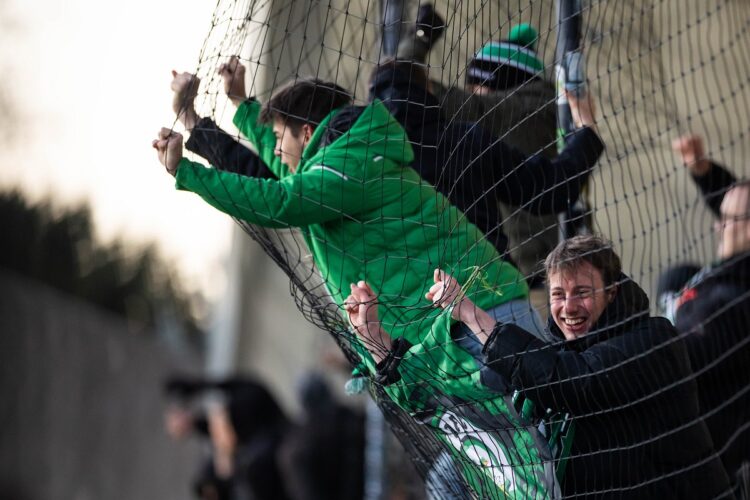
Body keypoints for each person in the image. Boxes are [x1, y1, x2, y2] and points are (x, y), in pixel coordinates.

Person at [155, 60, 564, 497]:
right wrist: (228, 109)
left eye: (278, 136)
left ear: (306, 133)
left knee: (537, 474)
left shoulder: (348, 163)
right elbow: (275, 170)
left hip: (475, 324)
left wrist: (186, 172)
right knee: (469, 482)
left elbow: (278, 199)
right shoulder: (336, 159)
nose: (273, 147)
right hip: (448, 337)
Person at [346, 235, 732, 498]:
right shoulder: (552, 352)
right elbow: (466, 399)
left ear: (612, 292)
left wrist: (468, 313)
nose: (568, 307)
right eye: (558, 294)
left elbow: (572, 382)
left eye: (582, 292)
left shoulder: (653, 340)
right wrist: (379, 345)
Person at [368, 59, 604, 286]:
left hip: (406, 303)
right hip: (489, 291)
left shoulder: (363, 160)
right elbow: (551, 188)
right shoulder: (466, 140)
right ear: (428, 90)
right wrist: (587, 131)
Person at [398, 6, 562, 284]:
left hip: (533, 277)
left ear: (499, 84)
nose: (470, 93)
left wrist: (421, 36)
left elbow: (401, 84)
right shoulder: (540, 111)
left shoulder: (512, 114)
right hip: (548, 267)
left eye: (475, 85)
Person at [668, 134, 750, 490]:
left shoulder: (731, 301)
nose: (718, 224)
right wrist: (703, 170)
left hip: (708, 464)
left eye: (727, 219)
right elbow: (735, 203)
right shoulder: (729, 276)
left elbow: (674, 362)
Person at [163, 376, 291, 500]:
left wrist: (224, 447)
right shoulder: (207, 424)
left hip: (274, 435)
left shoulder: (230, 399)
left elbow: (226, 436)